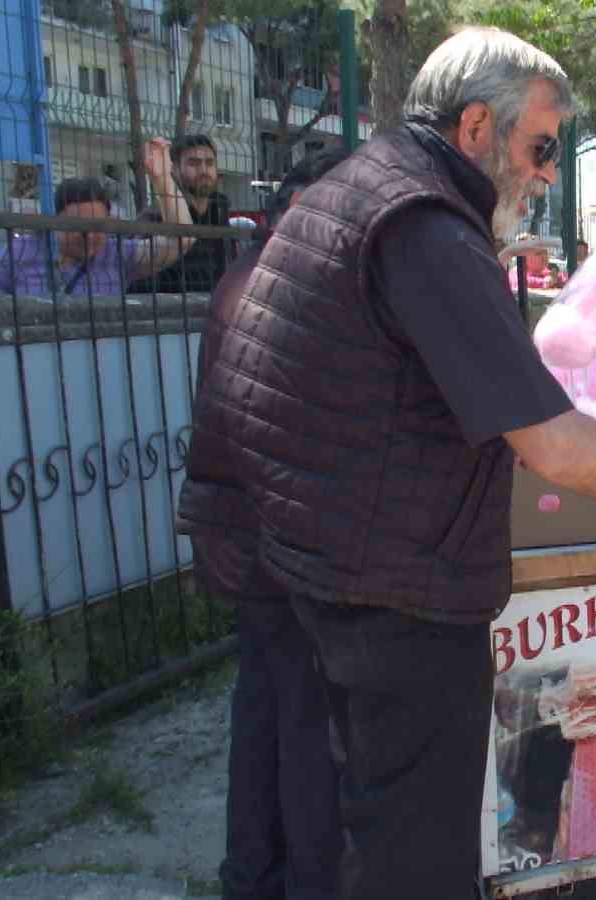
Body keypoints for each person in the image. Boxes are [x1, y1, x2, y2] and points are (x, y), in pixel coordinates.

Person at [175, 28, 596, 899]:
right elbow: (549, 437)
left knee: (355, 828)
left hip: (321, 561)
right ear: (475, 126)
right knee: (414, 854)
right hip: (385, 589)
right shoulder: (422, 222)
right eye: (542, 148)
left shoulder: (370, 194)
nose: (549, 172)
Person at [187, 146, 351, 900]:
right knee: (307, 726)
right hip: (287, 541)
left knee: (261, 709)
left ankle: (250, 876)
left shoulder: (244, 275)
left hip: (238, 531)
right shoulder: (301, 285)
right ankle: (309, 883)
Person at [0, 139, 194, 296]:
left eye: (97, 225)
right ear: (54, 221)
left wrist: (163, 180)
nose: (88, 235)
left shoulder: (117, 253)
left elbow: (182, 240)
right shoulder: (20, 251)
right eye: (77, 225)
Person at [130, 133, 232, 294]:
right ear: (174, 169)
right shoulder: (155, 218)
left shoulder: (219, 211)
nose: (204, 170)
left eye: (210, 163)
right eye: (194, 163)